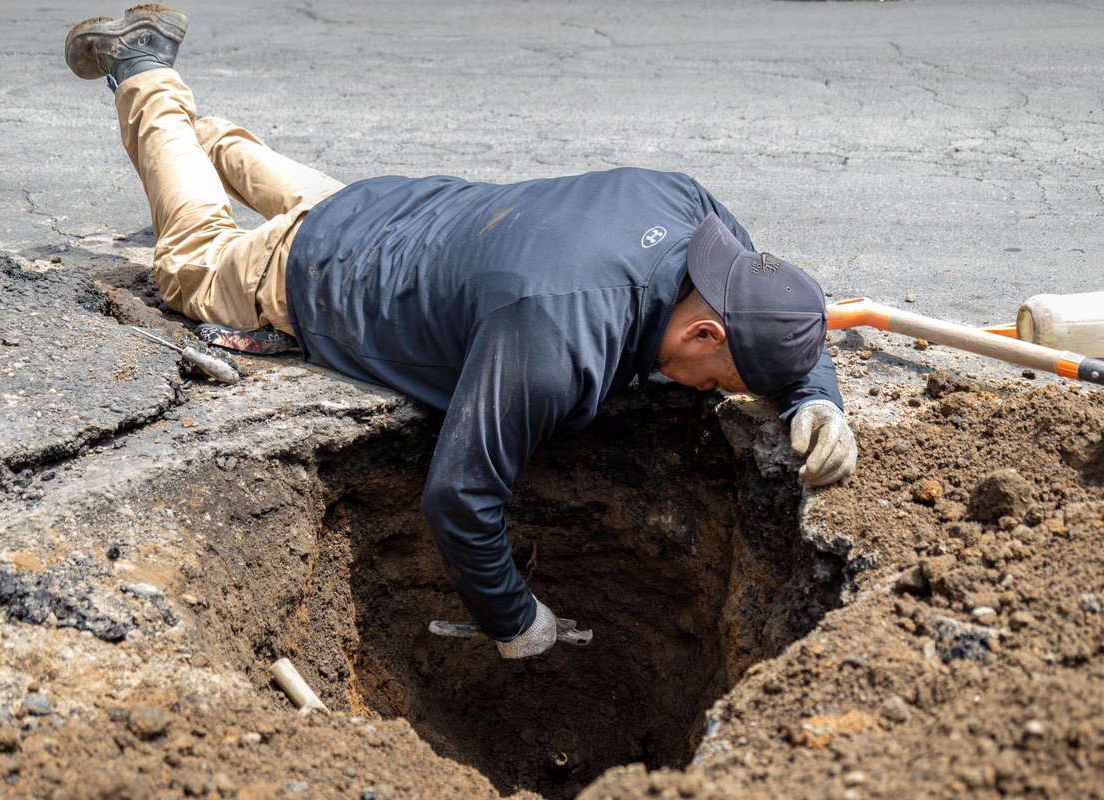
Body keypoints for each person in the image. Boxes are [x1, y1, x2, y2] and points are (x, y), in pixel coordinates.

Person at [65, 5, 858, 659]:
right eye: (721, 382)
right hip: (317, 273)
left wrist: (814, 398)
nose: (710, 395)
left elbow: (776, 308)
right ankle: (146, 74)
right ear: (707, 333)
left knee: (303, 197)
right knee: (192, 264)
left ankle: (200, 136)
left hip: (401, 211)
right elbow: (458, 496)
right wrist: (516, 622)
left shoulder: (691, 210)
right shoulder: (553, 336)